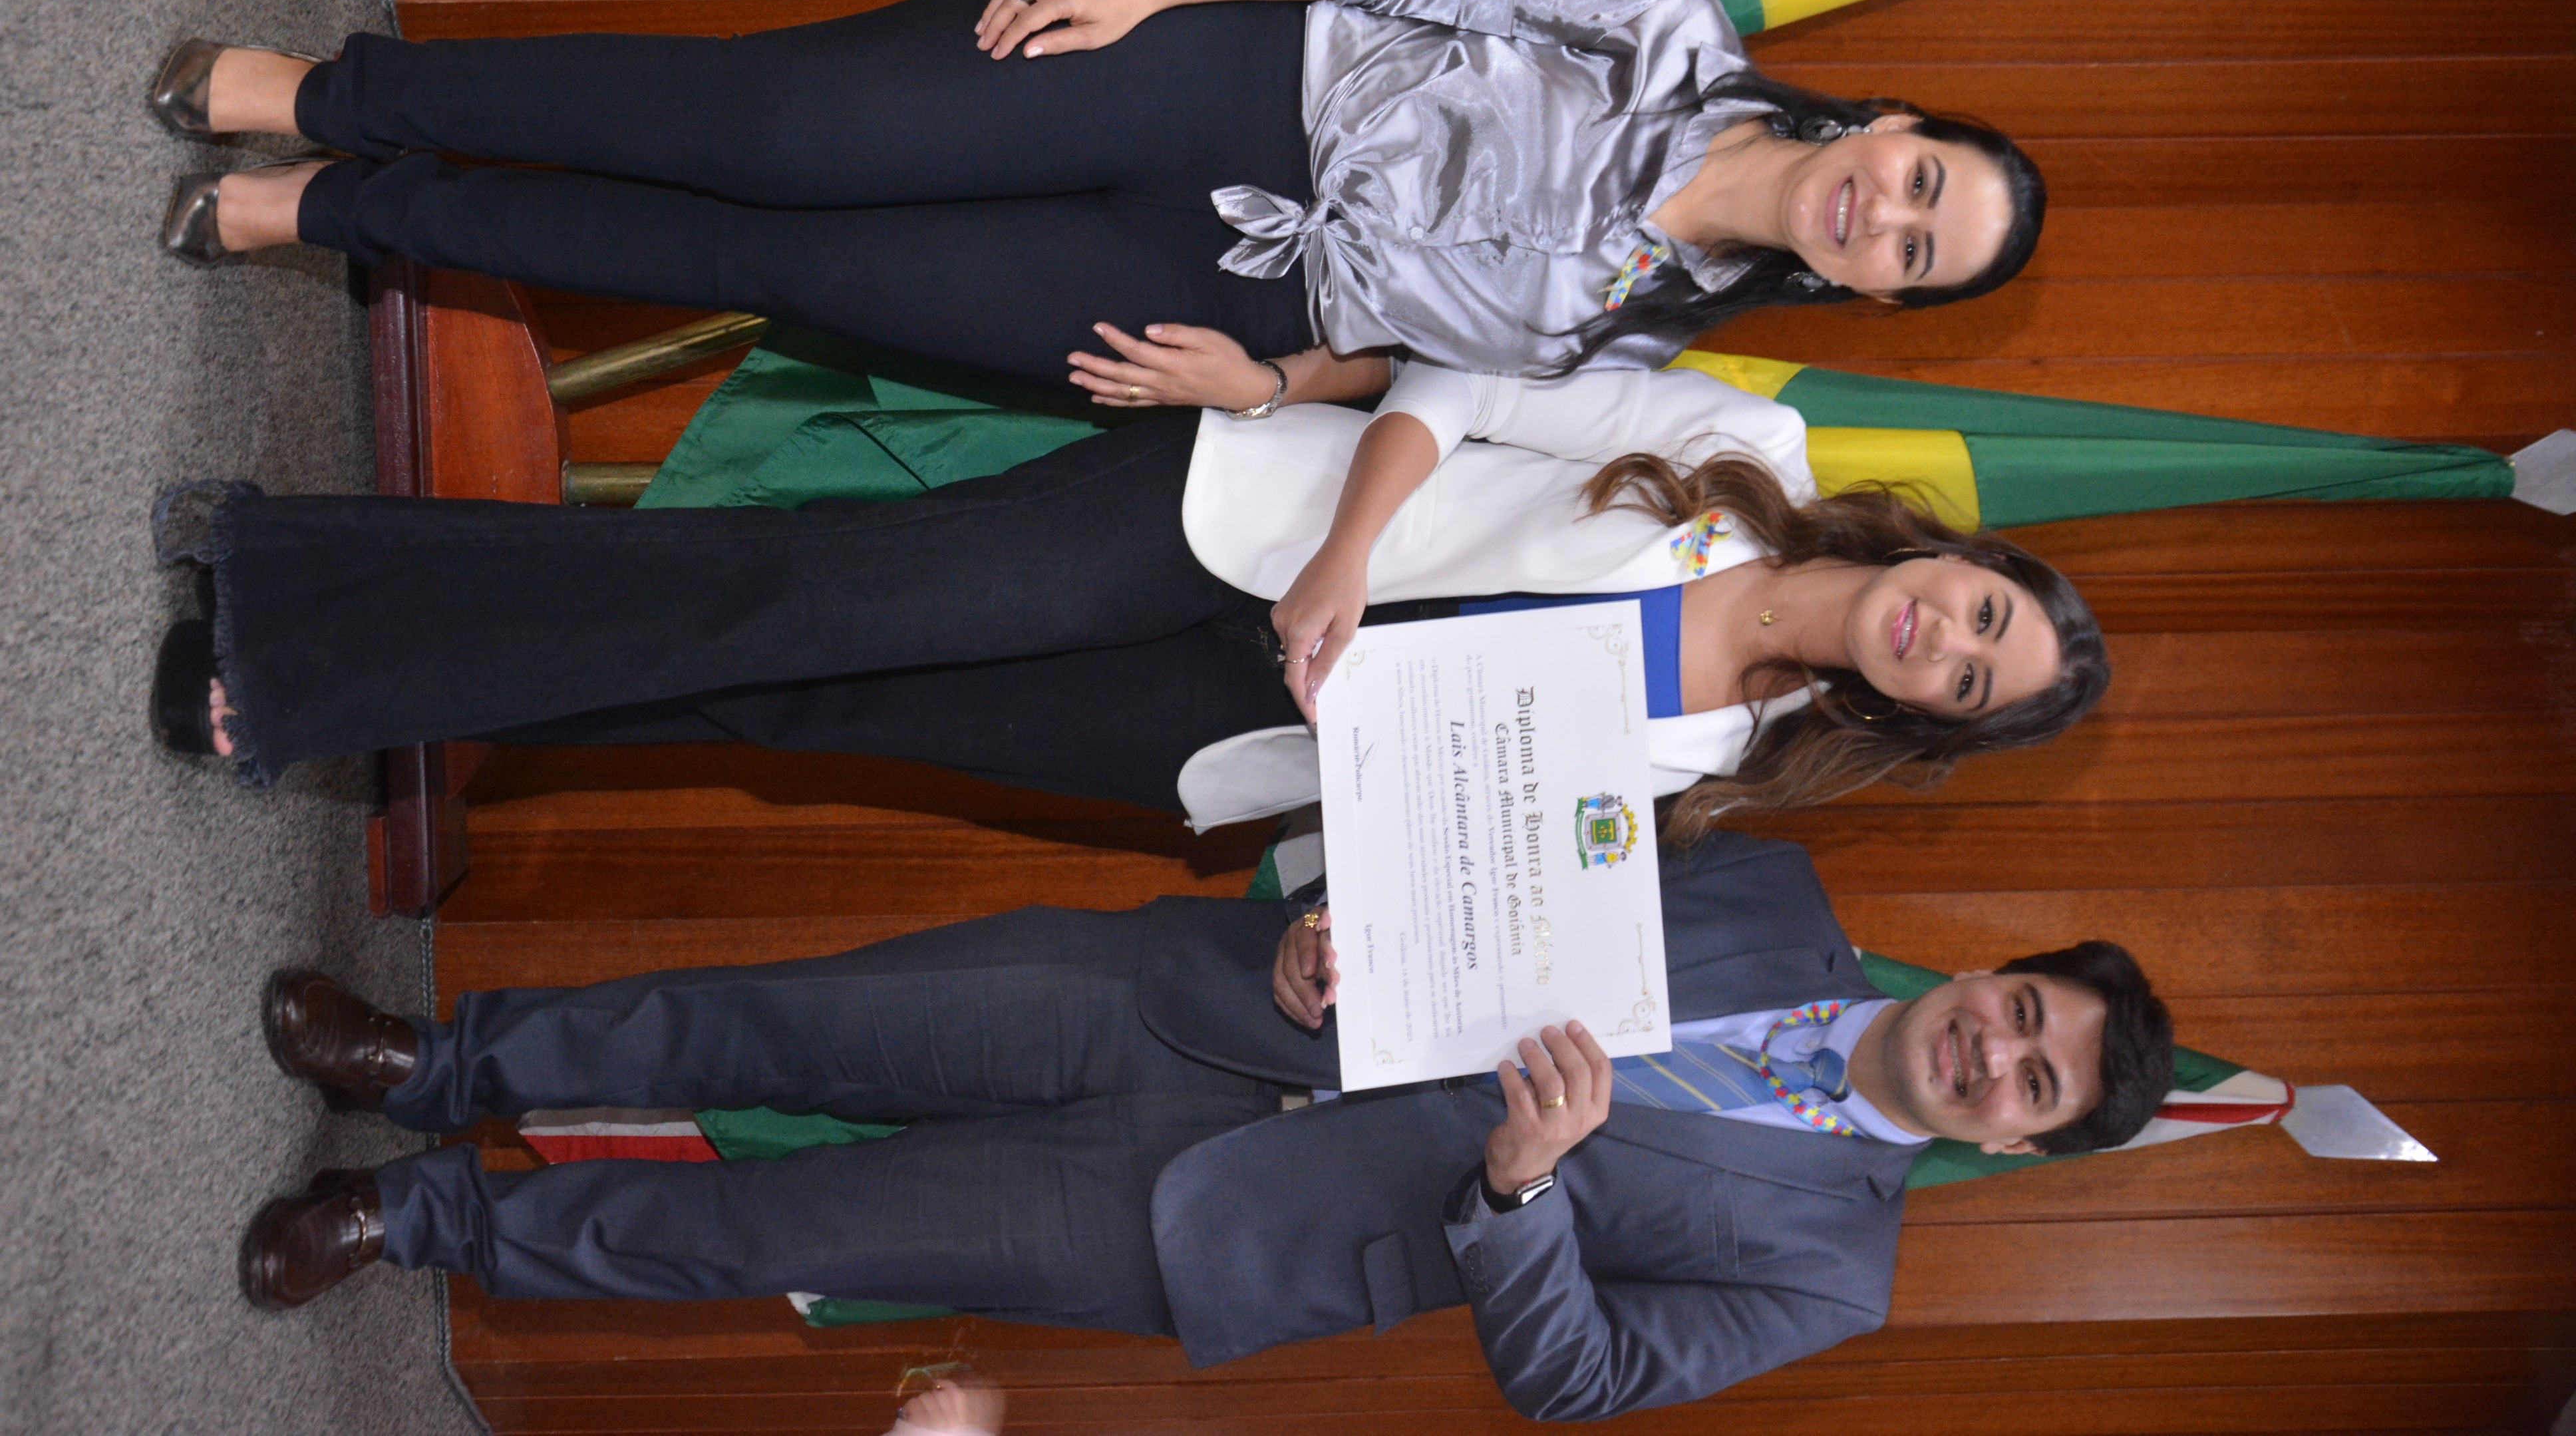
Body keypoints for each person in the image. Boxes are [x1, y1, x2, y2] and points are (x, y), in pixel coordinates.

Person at [238, 828, 2175, 1422]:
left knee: (785, 1234)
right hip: (1206, 998)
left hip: (1209, 1222)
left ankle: (420, 1227)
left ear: (2014, 1144)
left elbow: (1582, 1384)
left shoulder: (1836, 1277)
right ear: (1995, 970)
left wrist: (1522, 1193)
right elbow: (1497, 834)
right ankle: (440, 1065)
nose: (1996, 1054)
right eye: (2027, 1010)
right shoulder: (1769, 888)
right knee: (783, 1021)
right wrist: (1347, 904)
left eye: (2035, 1084)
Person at [153, 0, 2046, 397]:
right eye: (1923, 184)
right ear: (1890, 127)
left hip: (1222, 296)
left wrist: (1267, 384)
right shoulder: (1670, 24)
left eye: (1915, 252)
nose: (1886, 216)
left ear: (1876, 293)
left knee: (766, 267)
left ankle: (341, 210)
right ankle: (329, 96)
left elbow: (1422, 372)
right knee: (770, 129)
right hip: (1220, 73)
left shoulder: (1658, 330)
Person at [153, 354, 2106, 826]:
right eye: (1985, 613)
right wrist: (1346, 556)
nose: (1947, 641)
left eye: (1970, 681)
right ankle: (292, 638)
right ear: (1960, 560)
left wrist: (1349, 929)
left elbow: (1458, 828)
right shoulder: (1751, 445)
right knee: (786, 598)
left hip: (1216, 734)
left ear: (1923, 722)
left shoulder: (1718, 769)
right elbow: (1462, 383)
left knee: (782, 704)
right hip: (1231, 528)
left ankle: (333, 622)